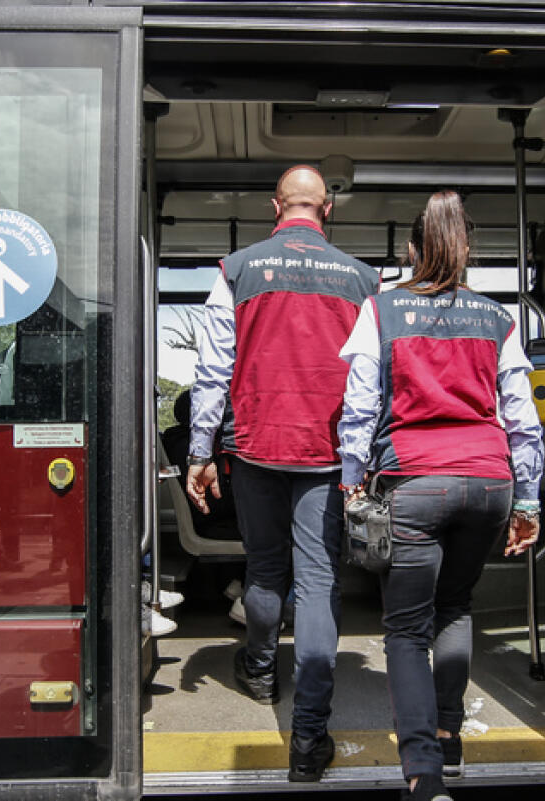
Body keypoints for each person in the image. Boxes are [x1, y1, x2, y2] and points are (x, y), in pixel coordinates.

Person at [337, 190, 545, 801]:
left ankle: (424, 771)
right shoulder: (497, 317)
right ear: (466, 248)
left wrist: (352, 476)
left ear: (411, 250)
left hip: (415, 480)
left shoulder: (382, 309)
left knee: (406, 628)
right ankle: (450, 738)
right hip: (490, 482)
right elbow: (523, 419)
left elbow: (360, 405)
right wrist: (528, 501)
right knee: (455, 605)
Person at [185, 165, 380, 782]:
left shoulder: (236, 270)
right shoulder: (364, 279)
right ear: (328, 209)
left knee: (265, 569)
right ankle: (310, 732)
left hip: (255, 447)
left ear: (277, 207)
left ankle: (262, 671)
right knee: (318, 581)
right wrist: (363, 461)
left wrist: (199, 451)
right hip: (327, 454)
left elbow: (212, 370)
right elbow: (372, 381)